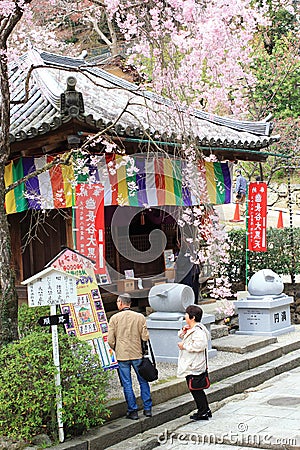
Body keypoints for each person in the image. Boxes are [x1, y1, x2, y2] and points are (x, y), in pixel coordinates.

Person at [107, 293, 153, 420]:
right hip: (137, 353)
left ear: (120, 303)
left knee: (127, 383)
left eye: (117, 302)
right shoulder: (140, 317)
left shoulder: (114, 318)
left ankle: (132, 411)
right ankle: (147, 408)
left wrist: (117, 347)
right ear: (130, 303)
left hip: (122, 355)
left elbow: (110, 340)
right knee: (143, 381)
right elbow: (145, 337)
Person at [177, 304, 211, 421]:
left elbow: (200, 345)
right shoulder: (192, 328)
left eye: (187, 314)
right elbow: (181, 335)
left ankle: (203, 411)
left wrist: (184, 346)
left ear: (192, 317)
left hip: (194, 364)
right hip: (192, 362)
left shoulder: (198, 331)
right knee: (196, 389)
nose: (185, 316)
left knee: (196, 389)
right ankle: (204, 409)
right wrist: (184, 331)